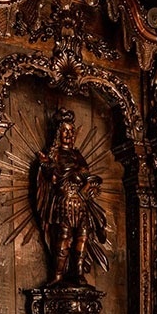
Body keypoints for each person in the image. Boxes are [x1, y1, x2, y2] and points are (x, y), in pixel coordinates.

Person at [36, 108, 109, 286]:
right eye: (65, 131)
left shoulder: (78, 155)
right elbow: (51, 178)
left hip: (81, 203)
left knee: (82, 238)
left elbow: (86, 176)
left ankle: (77, 274)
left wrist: (92, 183)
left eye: (71, 131)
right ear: (58, 133)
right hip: (65, 202)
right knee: (64, 237)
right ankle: (58, 275)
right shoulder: (54, 154)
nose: (69, 134)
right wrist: (47, 166)